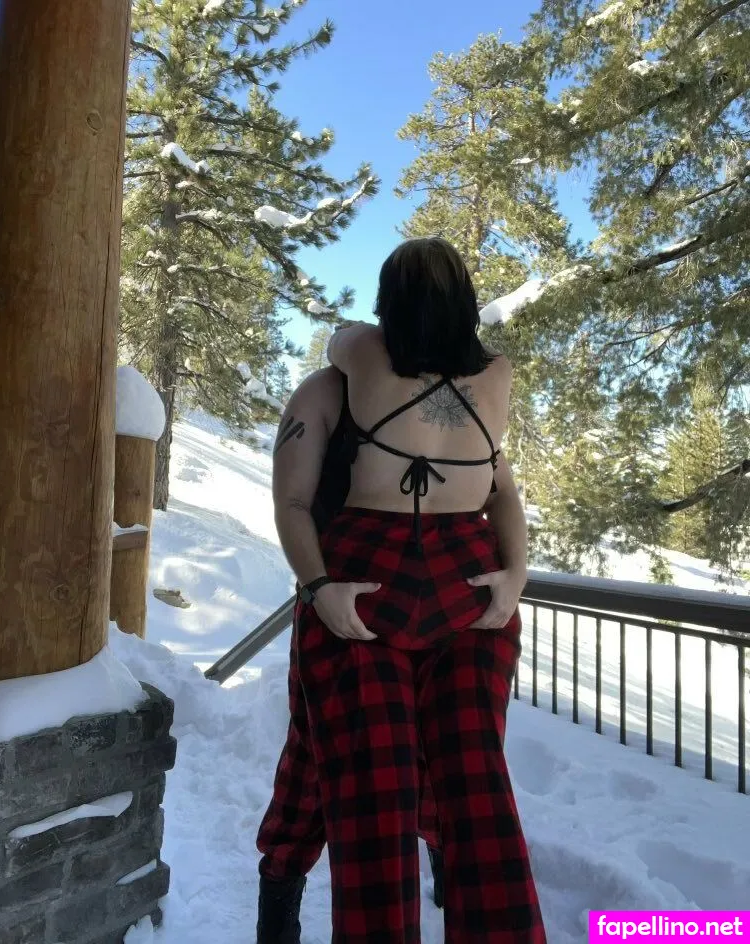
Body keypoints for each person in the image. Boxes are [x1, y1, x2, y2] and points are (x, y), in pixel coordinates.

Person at [272, 237, 544, 943]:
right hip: (454, 584)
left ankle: (299, 888)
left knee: (395, 786)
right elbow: (502, 492)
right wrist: (512, 575)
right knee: (450, 781)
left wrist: (321, 586)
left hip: (376, 580)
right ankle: (288, 887)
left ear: (385, 302)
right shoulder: (490, 382)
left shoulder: (350, 366)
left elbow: (294, 501)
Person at [257, 365, 444, 944]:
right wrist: (318, 588)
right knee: (313, 761)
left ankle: (445, 875)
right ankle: (277, 917)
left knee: (435, 753)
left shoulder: (444, 388)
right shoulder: (327, 390)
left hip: (436, 614)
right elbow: (291, 500)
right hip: (338, 612)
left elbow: (489, 486)